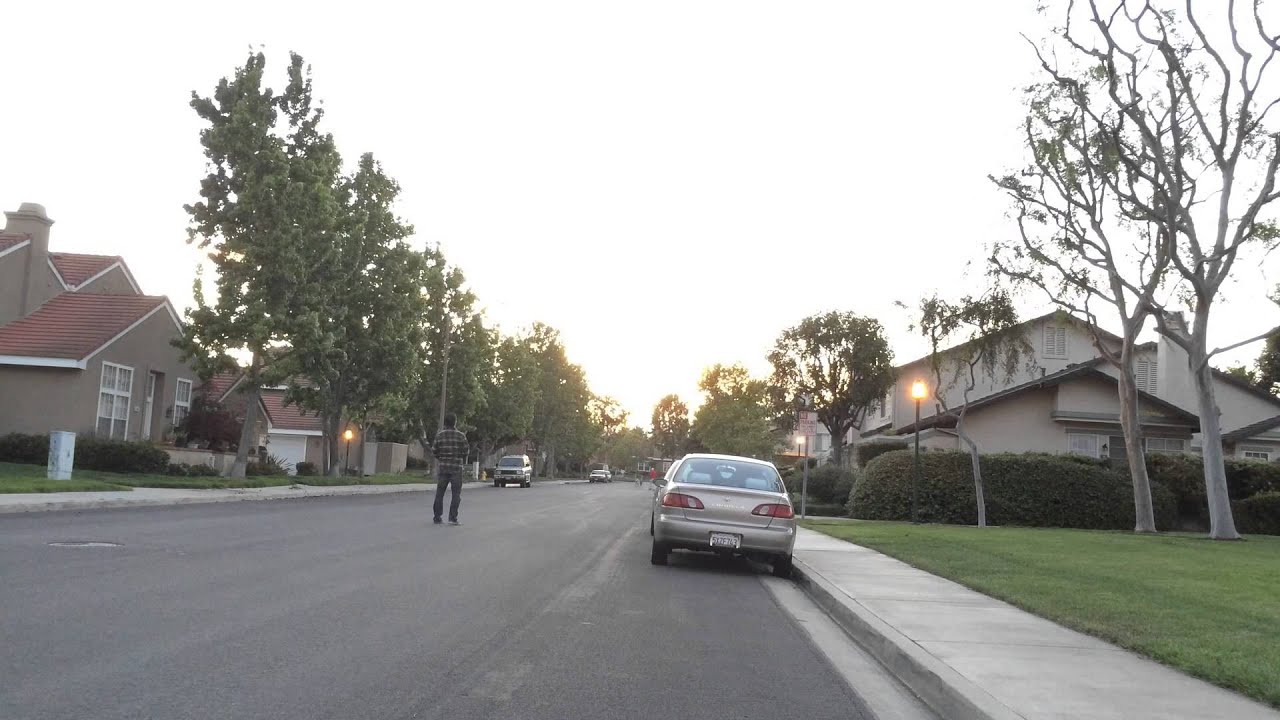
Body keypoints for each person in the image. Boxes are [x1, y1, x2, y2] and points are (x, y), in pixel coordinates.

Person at [430, 413, 469, 525]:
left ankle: (437, 517)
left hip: (443, 468)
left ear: (445, 423)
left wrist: (441, 458)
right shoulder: (461, 436)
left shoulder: (440, 436)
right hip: (456, 468)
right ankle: (452, 518)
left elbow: (434, 451)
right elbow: (466, 452)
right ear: (455, 422)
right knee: (456, 494)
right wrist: (458, 457)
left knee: (440, 493)